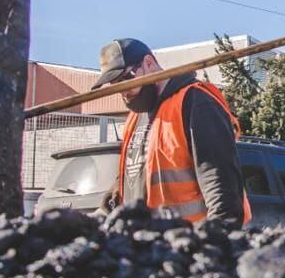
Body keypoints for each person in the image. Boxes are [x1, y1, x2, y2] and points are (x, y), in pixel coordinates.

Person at [90, 38, 250, 224]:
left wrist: (215, 241)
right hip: (147, 246)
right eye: (115, 86)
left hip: (188, 244)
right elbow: (126, 183)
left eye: (125, 80)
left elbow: (221, 189)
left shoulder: (196, 102)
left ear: (148, 63)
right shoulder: (136, 117)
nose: (124, 93)